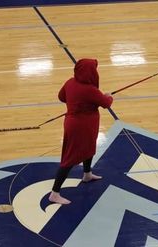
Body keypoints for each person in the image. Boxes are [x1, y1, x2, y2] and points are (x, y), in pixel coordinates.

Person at [49, 58, 113, 204]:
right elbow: (106, 103)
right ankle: (54, 193)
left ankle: (87, 174)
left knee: (89, 148)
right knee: (69, 159)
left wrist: (76, 103)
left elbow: (61, 97)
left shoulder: (70, 82)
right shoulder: (90, 90)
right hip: (81, 127)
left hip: (78, 124)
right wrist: (108, 96)